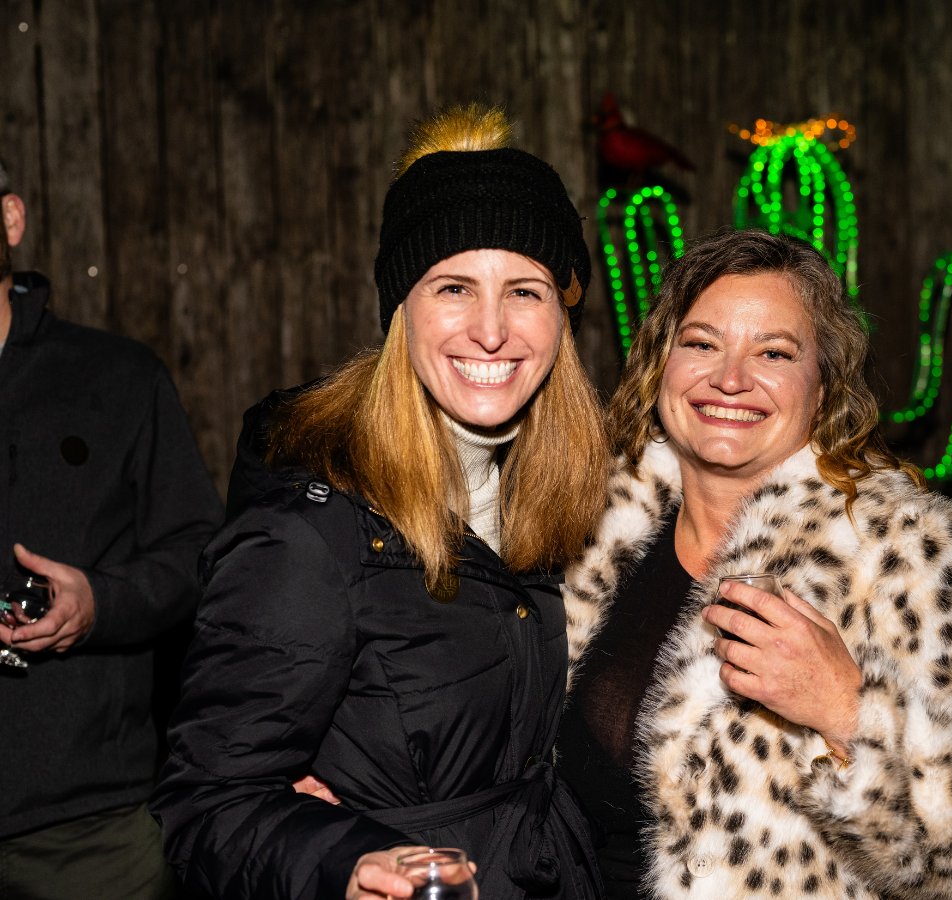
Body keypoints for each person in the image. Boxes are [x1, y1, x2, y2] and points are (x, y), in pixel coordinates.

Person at [149, 105, 610, 900]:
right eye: (455, 286)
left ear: (562, 321)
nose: (493, 330)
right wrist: (345, 855)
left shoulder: (556, 493)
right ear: (402, 311)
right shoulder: (310, 537)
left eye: (526, 291)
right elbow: (204, 803)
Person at [557, 230, 952, 900]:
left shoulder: (907, 550)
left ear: (823, 390)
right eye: (701, 343)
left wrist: (846, 707)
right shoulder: (587, 524)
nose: (730, 378)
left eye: (775, 352)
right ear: (658, 365)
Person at [0, 158, 225, 898]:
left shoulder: (116, 379)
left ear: (10, 220)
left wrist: (99, 602)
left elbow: (201, 554)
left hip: (84, 828)